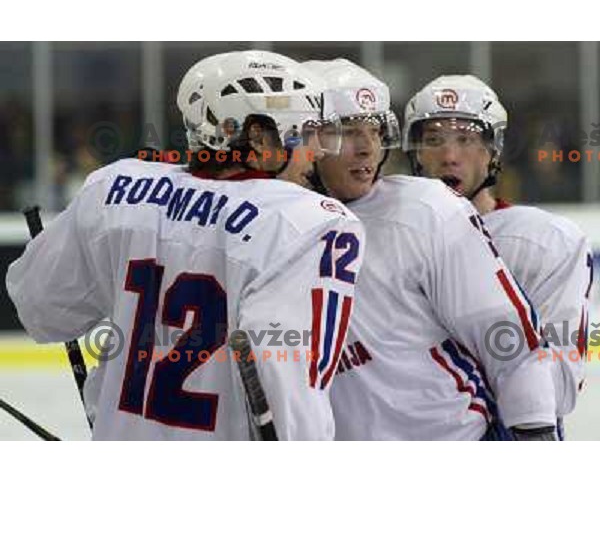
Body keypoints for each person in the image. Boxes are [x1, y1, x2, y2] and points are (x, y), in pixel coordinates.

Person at [6, 50, 364, 440]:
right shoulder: (312, 221)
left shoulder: (115, 188)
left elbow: (39, 309)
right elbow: (286, 380)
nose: (314, 154)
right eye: (304, 134)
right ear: (259, 138)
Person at [304, 58, 557, 440]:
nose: (367, 148)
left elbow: (505, 333)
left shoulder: (425, 209)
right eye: (348, 131)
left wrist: (534, 429)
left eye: (374, 131)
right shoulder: (272, 219)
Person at [403, 74, 593, 436]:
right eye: (433, 140)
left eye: (466, 139)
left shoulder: (545, 242)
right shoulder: (384, 238)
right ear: (414, 152)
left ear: (494, 150)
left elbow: (558, 387)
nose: (449, 155)